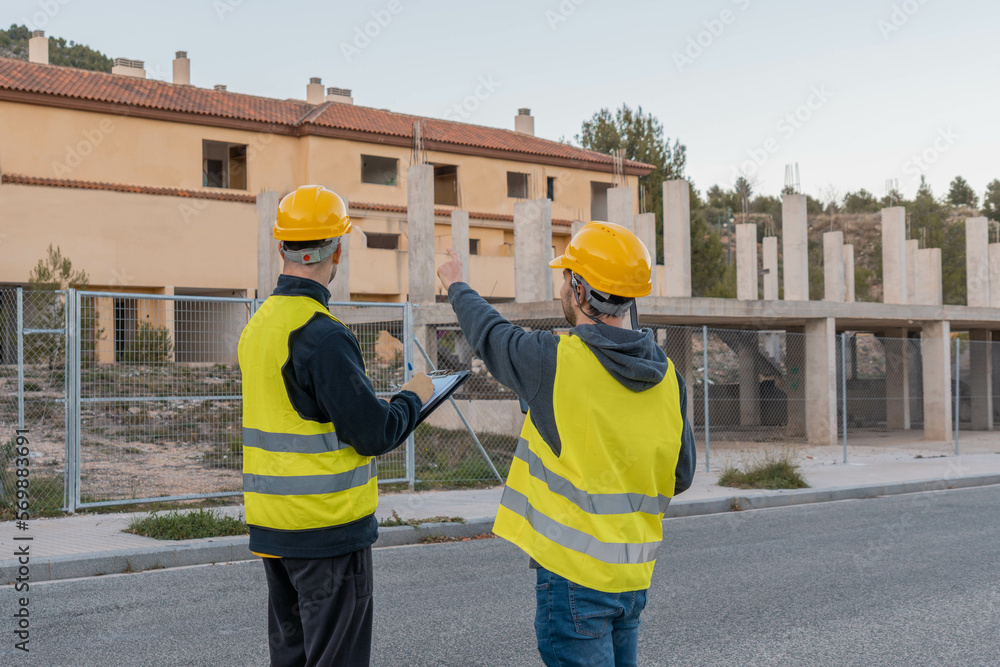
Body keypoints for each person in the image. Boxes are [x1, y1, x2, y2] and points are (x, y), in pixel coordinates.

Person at [436, 221, 696, 667]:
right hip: (633, 579)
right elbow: (681, 474)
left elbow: (490, 334)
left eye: (565, 276)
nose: (561, 285)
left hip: (576, 581)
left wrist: (457, 283)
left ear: (579, 290)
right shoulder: (669, 378)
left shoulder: (553, 360)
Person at [238, 184, 433, 667]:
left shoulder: (260, 325)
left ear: (282, 246)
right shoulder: (322, 334)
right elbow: (372, 433)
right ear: (338, 250)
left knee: (293, 657)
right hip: (327, 530)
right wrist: (416, 396)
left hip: (275, 529)